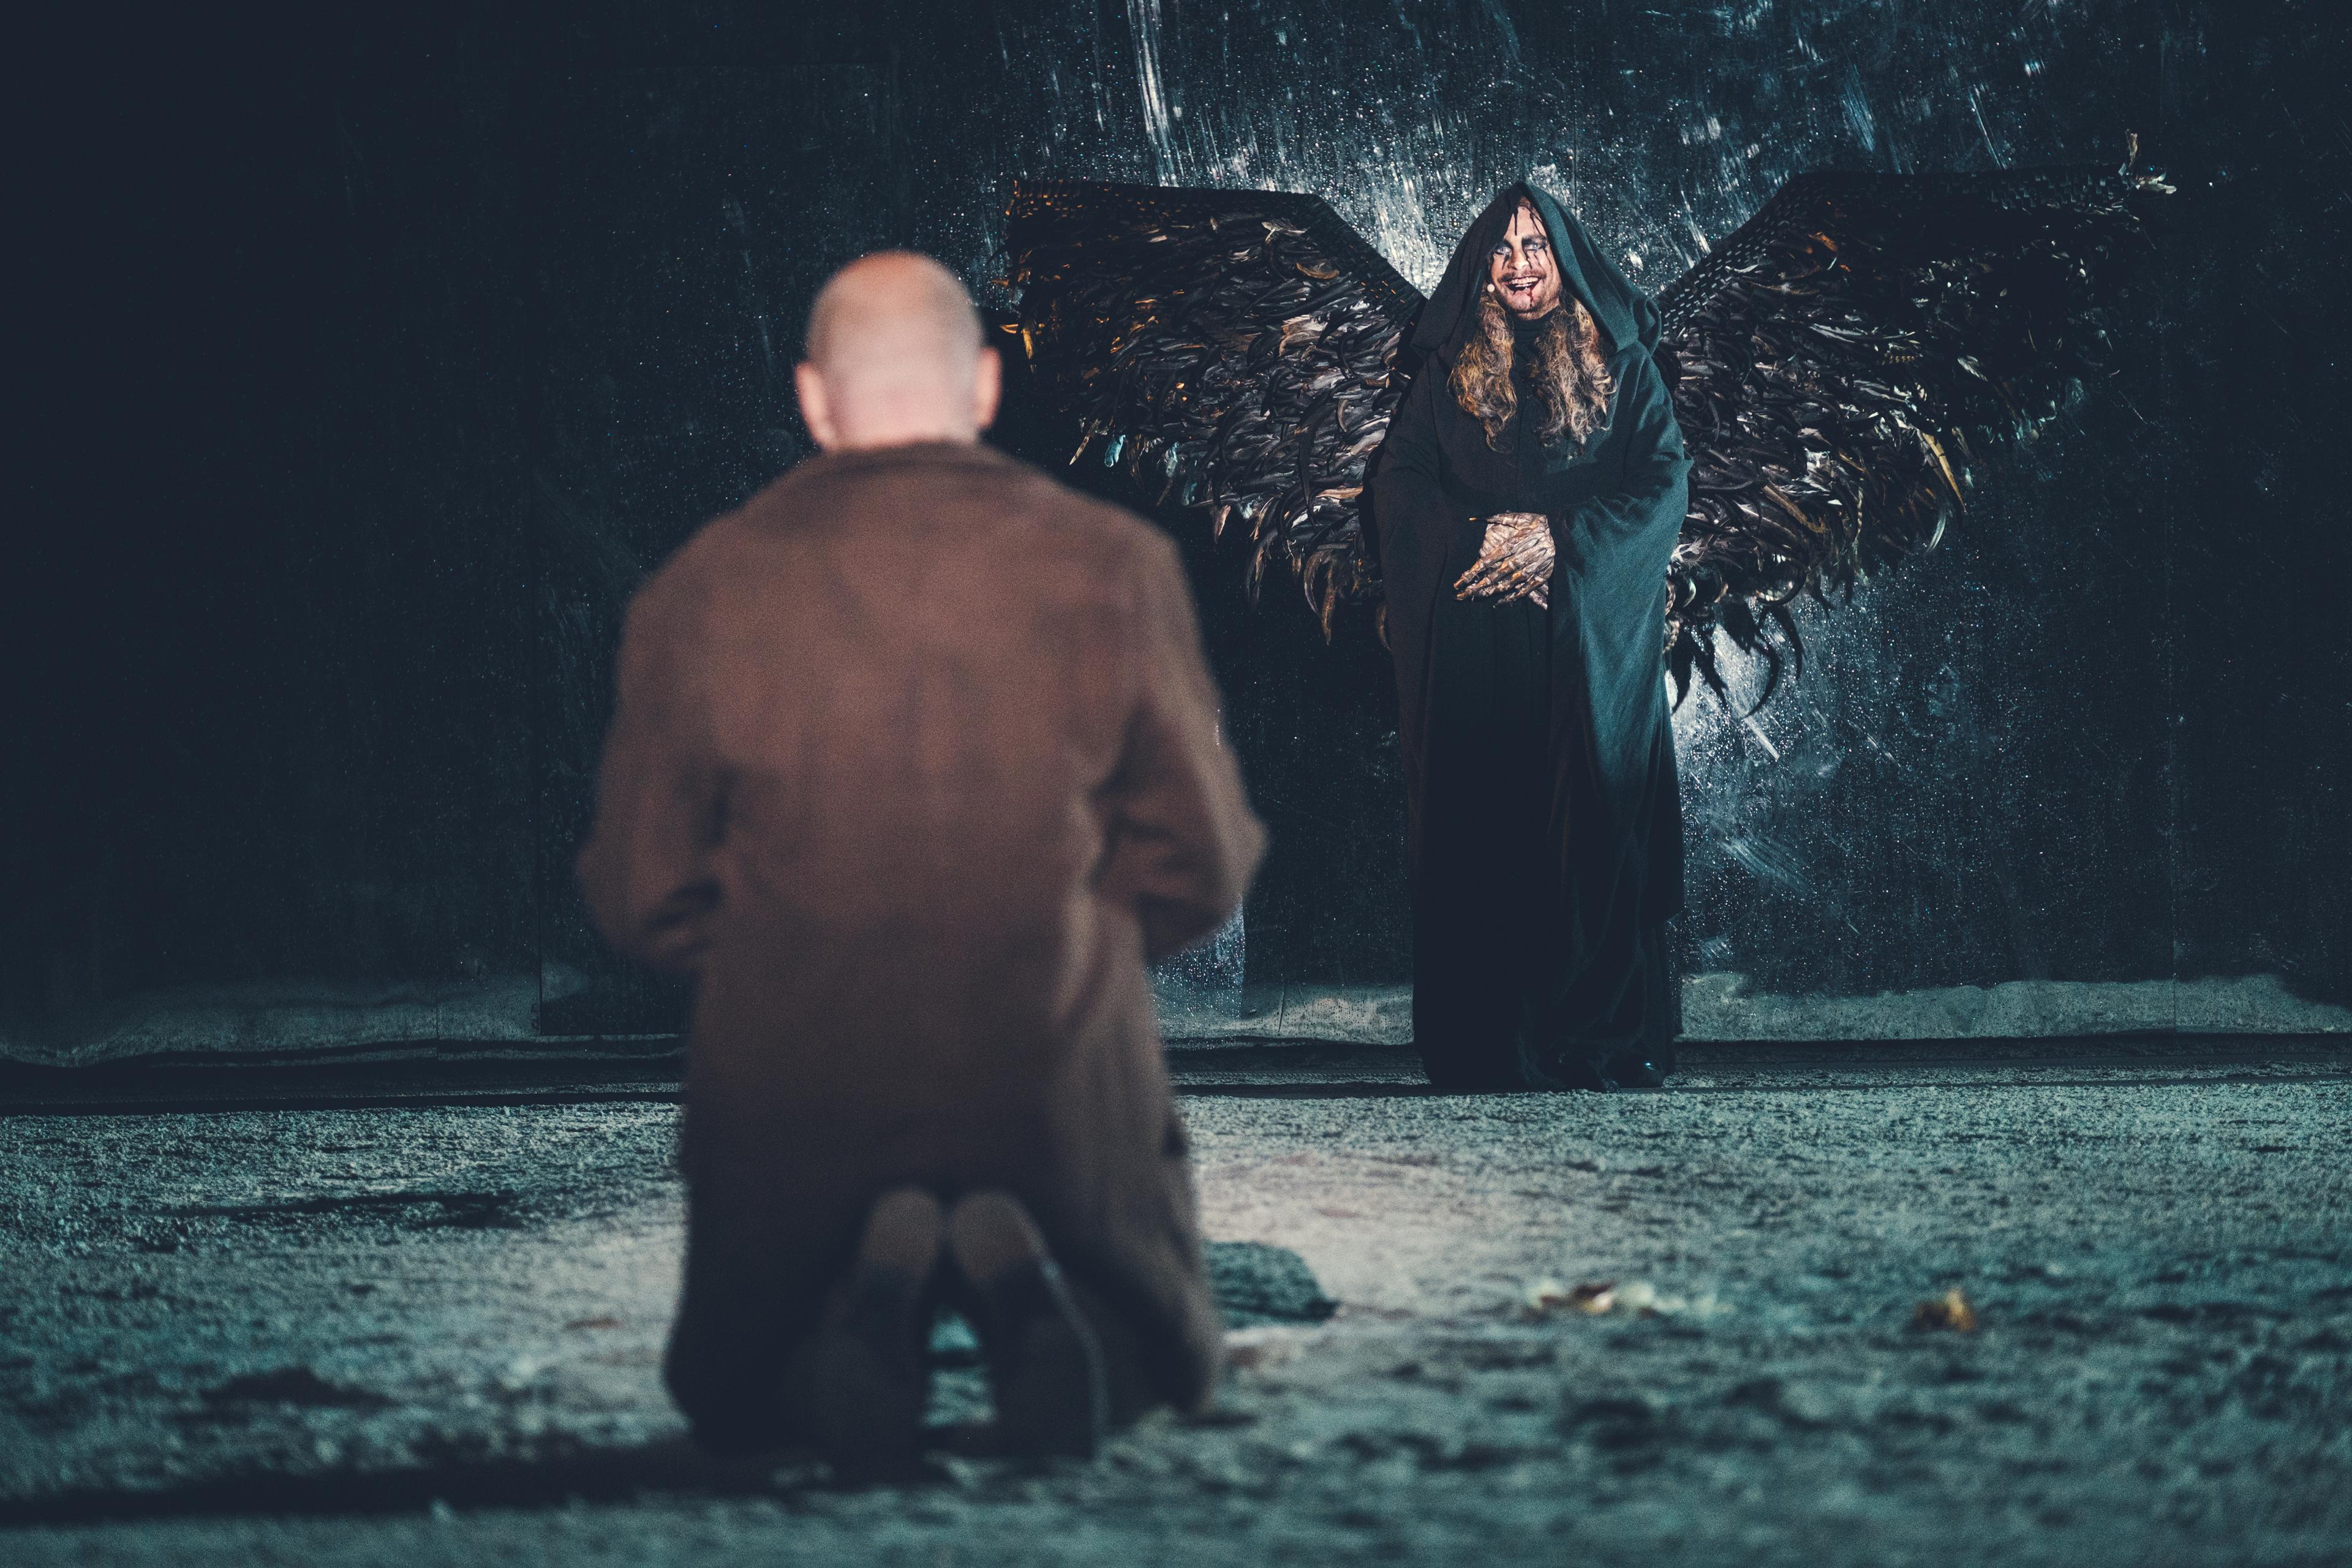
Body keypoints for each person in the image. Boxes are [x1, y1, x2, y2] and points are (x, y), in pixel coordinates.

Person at [576, 251, 1265, 1472]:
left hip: (808, 1103)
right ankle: (1041, 1286)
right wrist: (1077, 946)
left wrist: (783, 954)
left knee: (746, 1393)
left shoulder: (703, 589)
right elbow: (1202, 864)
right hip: (1049, 1092)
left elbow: (644, 894)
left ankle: (854, 1293)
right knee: (1148, 1357)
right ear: (986, 387)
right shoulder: (1114, 564)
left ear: (814, 400)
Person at [1367, 183, 1692, 1094]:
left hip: (1584, 648)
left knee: (1589, 830)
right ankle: (1486, 1044)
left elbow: (1663, 480)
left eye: (1536, 245)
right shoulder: (1447, 374)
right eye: (1503, 249)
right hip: (1480, 654)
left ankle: (1596, 1038)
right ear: (1482, 267)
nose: (1519, 264)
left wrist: (1562, 542)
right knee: (1485, 837)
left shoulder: (1625, 366)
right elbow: (1399, 483)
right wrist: (1476, 540)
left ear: (1564, 257)